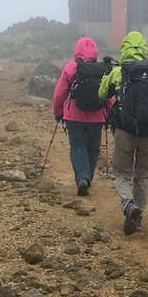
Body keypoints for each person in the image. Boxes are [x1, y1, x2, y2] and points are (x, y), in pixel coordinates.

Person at [99, 31, 148, 235]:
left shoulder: (119, 72)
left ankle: (129, 206)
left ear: (124, 48)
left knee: (121, 173)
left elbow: (101, 94)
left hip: (125, 130)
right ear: (144, 49)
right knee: (143, 176)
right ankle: (139, 217)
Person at [52, 37, 110, 196]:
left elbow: (59, 93)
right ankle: (88, 177)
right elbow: (109, 95)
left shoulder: (71, 68)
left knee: (77, 146)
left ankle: (82, 177)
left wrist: (58, 112)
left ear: (76, 52)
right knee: (93, 148)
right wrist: (110, 115)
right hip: (97, 116)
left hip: (74, 116)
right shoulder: (103, 69)